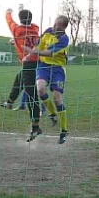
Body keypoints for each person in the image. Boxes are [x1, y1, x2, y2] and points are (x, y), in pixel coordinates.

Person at [23, 15, 70, 144]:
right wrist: (29, 55)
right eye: (55, 23)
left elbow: (48, 53)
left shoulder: (64, 40)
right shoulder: (48, 31)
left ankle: (64, 130)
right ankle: (51, 114)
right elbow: (39, 47)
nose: (55, 26)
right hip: (43, 66)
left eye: (58, 25)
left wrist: (32, 52)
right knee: (40, 89)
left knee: (57, 98)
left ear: (63, 27)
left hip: (57, 69)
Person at [1, 7, 41, 141]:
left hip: (29, 64)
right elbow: (29, 37)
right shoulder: (35, 28)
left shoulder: (17, 30)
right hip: (38, 63)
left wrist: (8, 12)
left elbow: (9, 21)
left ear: (20, 19)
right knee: (19, 78)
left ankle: (36, 127)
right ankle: (10, 102)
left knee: (32, 95)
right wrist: (16, 41)